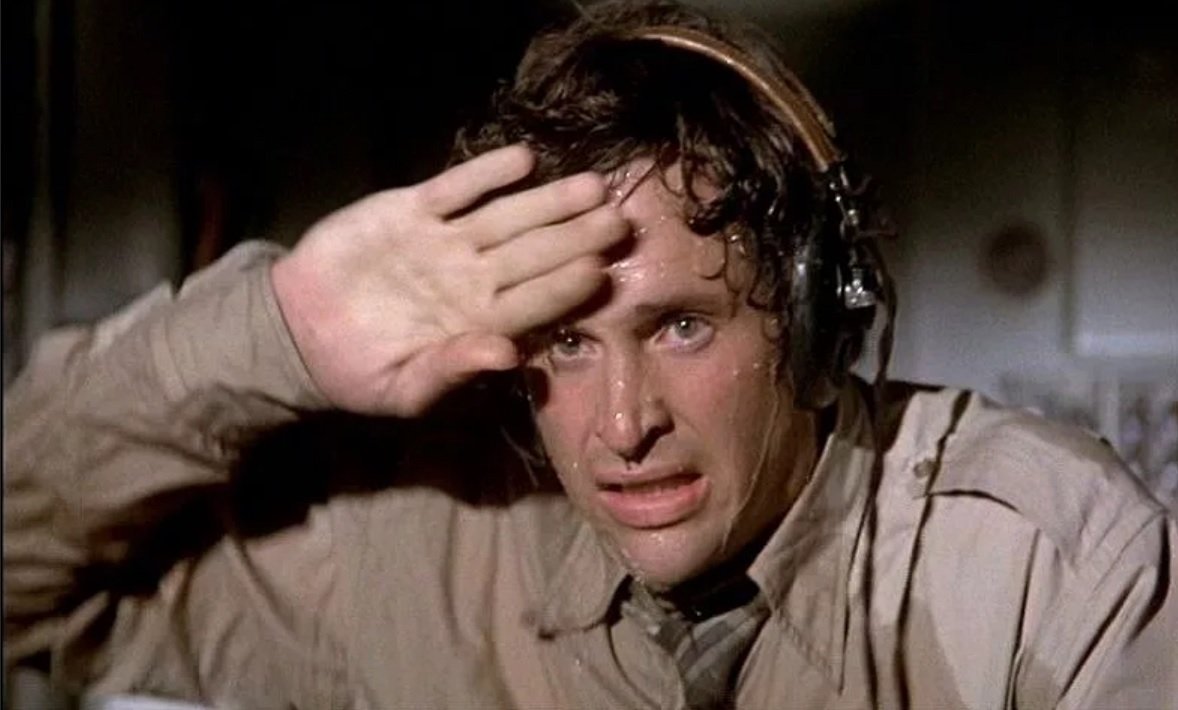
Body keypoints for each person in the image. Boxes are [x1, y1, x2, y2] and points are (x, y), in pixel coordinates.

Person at [5, 2, 1176, 708]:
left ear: (815, 317)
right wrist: (281, 332)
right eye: (564, 341)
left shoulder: (1042, 569)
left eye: (679, 325)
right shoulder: (415, 557)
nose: (621, 424)